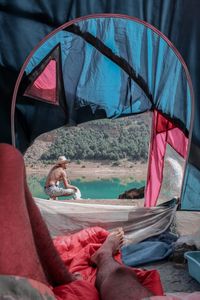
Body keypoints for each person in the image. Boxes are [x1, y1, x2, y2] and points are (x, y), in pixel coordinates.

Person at [0, 143, 156, 299]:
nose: (66, 165)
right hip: (19, 288)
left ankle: (98, 258)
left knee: (8, 158)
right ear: (63, 164)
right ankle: (104, 254)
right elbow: (67, 186)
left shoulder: (52, 169)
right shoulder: (14, 160)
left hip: (48, 190)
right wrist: (75, 188)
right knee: (9, 158)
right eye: (66, 163)